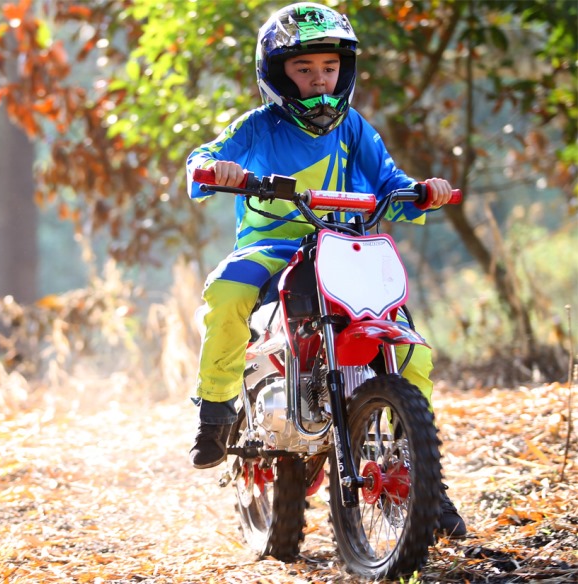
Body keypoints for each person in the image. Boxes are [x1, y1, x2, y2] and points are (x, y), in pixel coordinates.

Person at [185, 2, 467, 538]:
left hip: (344, 247)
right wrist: (217, 169)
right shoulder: (258, 127)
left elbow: (390, 183)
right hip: (273, 246)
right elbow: (205, 159)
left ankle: (425, 475)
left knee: (406, 343)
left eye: (329, 69)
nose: (320, 81)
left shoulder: (354, 127)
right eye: (304, 69)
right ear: (276, 75)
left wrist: (422, 192)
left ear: (346, 71)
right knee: (227, 294)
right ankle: (216, 409)